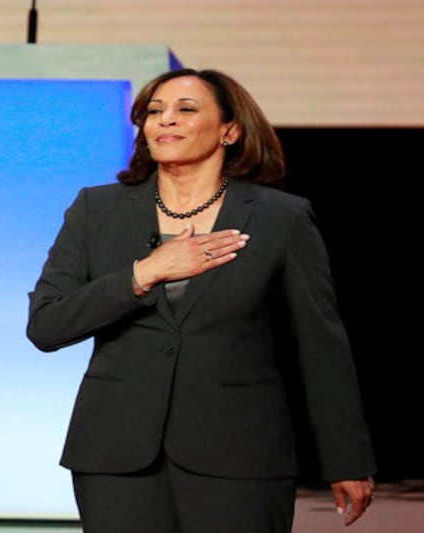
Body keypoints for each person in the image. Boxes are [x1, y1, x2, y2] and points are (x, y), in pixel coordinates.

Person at [26, 68, 376, 533]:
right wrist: (145, 272)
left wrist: (346, 458)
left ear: (230, 130)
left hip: (239, 456)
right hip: (116, 456)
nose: (164, 121)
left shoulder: (280, 218)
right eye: (154, 112)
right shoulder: (96, 209)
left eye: (185, 110)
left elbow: (321, 345)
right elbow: (47, 325)